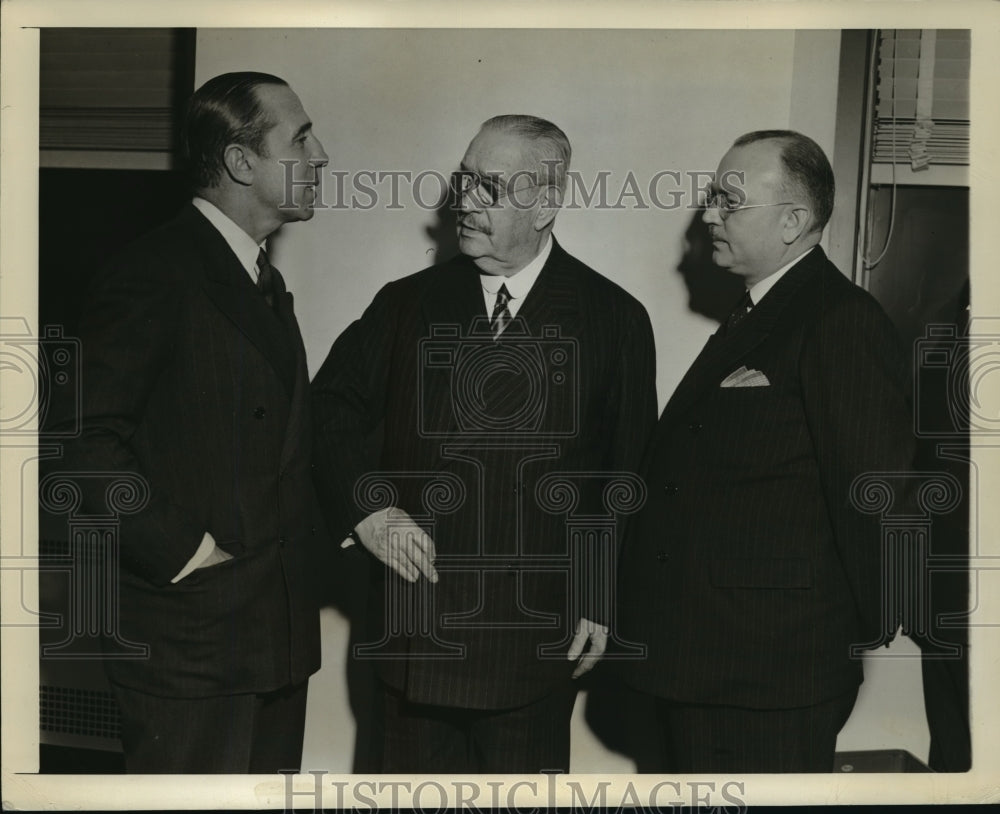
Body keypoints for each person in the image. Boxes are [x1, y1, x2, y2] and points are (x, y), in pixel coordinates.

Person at [311, 114, 657, 773]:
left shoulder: (613, 319)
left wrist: (600, 594)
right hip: (415, 634)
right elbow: (329, 408)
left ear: (546, 204)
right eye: (466, 180)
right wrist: (371, 509)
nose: (466, 202)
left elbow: (626, 473)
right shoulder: (407, 303)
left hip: (531, 648)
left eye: (490, 188)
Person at [51, 72, 330, 773]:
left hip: (272, 639)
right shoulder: (154, 270)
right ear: (241, 162)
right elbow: (82, 444)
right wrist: (189, 553)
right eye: (299, 138)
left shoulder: (258, 280)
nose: (320, 155)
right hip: (191, 645)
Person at [618, 130, 916, 773]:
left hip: (769, 676)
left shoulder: (841, 319)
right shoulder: (755, 312)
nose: (708, 216)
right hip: (710, 665)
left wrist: (837, 636)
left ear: (794, 221)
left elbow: (875, 497)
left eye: (730, 200)